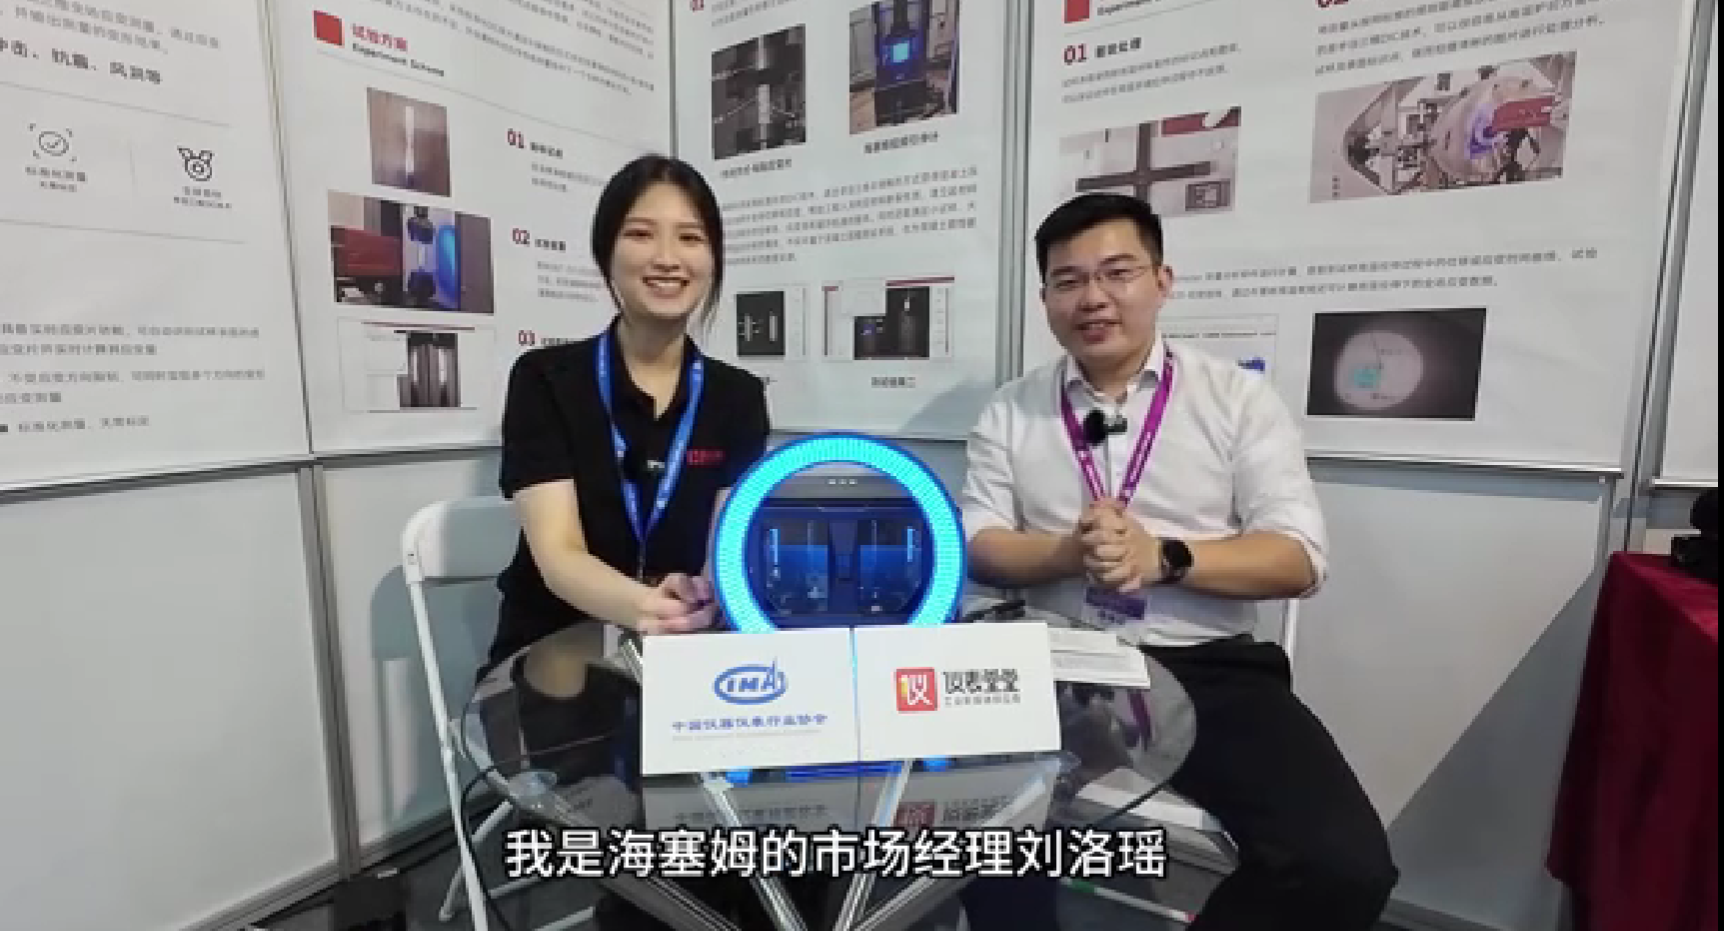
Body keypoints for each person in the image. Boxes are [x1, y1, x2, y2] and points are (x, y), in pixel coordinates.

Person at [955, 192, 1398, 930]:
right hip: (1052, 661)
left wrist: (1164, 557)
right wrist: (1068, 552)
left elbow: (1297, 557)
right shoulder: (1012, 408)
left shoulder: (1237, 399)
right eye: (1068, 281)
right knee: (973, 819)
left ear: (1162, 281)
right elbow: (979, 544)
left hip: (1207, 668)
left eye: (1117, 272)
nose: (1093, 298)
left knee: (1341, 866)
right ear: (1045, 300)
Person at [486, 154, 800, 929]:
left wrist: (707, 591)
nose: (667, 256)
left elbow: (725, 547)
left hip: (689, 654)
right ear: (607, 253)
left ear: (712, 259)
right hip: (559, 657)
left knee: (775, 825)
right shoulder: (546, 378)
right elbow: (558, 555)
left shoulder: (736, 396)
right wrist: (645, 607)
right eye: (641, 233)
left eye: (690, 237)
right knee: (658, 844)